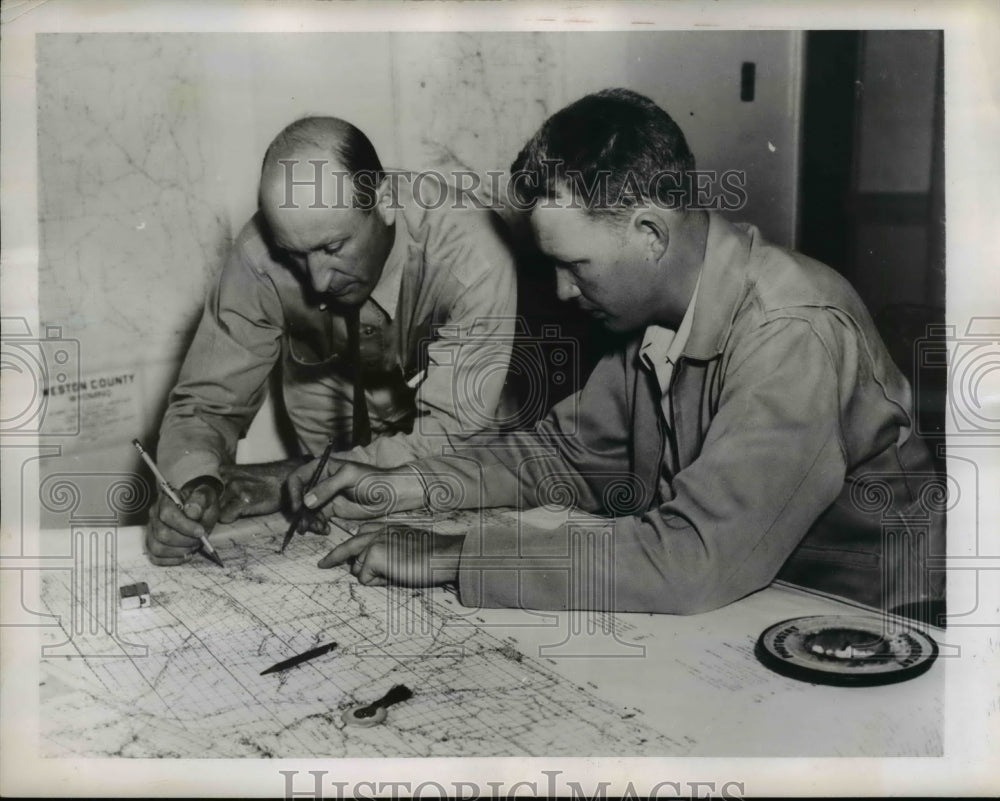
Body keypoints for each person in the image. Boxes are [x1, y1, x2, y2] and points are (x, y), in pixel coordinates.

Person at [289, 89, 945, 619]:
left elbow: (695, 560)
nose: (563, 292)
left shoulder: (792, 329)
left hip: (885, 618)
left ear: (652, 233)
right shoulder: (653, 322)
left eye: (575, 266)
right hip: (764, 601)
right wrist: (403, 485)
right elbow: (556, 458)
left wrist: (456, 555)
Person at [146, 116, 517, 565]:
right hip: (333, 438)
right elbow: (205, 404)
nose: (318, 283)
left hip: (461, 450)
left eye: (332, 248)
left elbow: (454, 442)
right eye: (294, 256)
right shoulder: (258, 256)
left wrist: (287, 479)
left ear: (384, 202)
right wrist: (195, 483)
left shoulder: (473, 256)